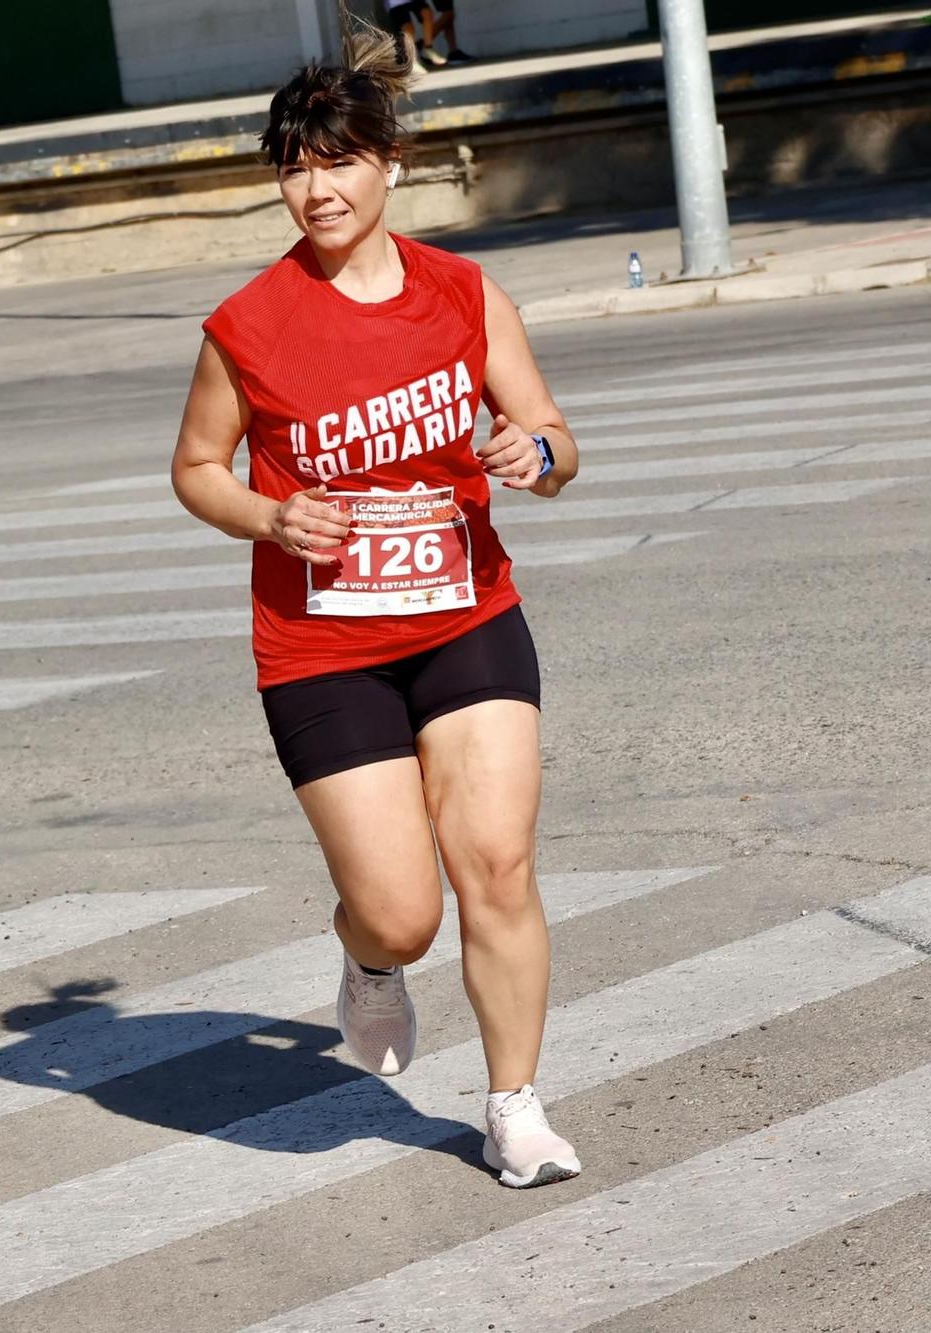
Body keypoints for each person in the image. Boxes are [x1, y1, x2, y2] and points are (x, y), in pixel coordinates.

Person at [170, 29, 584, 1189]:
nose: (316, 188)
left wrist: (529, 451)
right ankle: (367, 963)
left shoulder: (460, 291)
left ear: (387, 164)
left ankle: (513, 1107)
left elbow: (556, 440)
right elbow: (197, 466)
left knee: (494, 865)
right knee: (400, 911)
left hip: (466, 618)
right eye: (295, 166)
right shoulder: (245, 327)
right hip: (321, 649)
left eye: (338, 162)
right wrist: (268, 518)